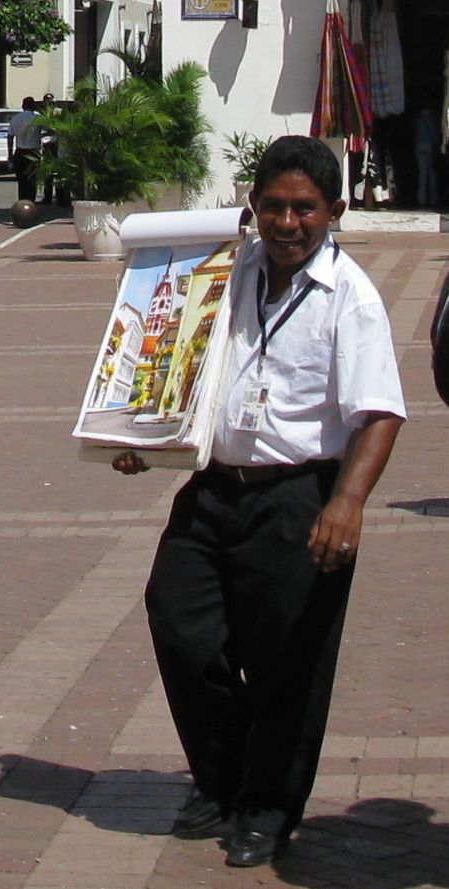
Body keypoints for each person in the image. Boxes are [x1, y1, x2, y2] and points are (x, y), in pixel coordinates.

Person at [112, 136, 406, 868]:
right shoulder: (225, 270)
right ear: (253, 208)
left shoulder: (353, 300)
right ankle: (223, 779)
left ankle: (268, 805)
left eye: (304, 208)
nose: (286, 223)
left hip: (298, 497)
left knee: (288, 666)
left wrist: (348, 503)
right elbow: (175, 356)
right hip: (214, 488)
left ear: (334, 211)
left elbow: (380, 413)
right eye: (271, 206)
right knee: (180, 623)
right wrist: (140, 434)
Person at [7, 97, 41, 202]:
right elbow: (49, 129)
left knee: (21, 179)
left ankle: (22, 200)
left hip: (20, 151)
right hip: (33, 152)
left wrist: (10, 154)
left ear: (22, 106)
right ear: (33, 106)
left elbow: (10, 136)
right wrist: (39, 136)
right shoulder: (37, 118)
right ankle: (31, 201)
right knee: (32, 179)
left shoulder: (15, 118)